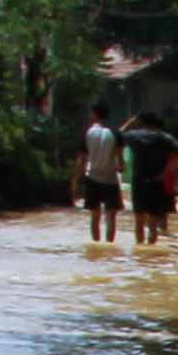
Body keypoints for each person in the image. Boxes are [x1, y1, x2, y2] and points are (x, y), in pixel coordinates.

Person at [122, 108, 178, 248]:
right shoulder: (165, 138)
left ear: (141, 122)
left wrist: (130, 122)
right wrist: (166, 172)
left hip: (138, 181)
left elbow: (118, 134)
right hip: (157, 182)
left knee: (139, 220)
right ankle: (150, 251)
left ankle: (140, 251)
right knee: (153, 223)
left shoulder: (135, 136)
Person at [79, 100, 124, 246]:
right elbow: (121, 163)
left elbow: (82, 161)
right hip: (110, 180)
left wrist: (77, 180)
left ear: (94, 114)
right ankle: (109, 247)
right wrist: (121, 168)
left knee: (95, 217)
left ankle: (96, 247)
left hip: (92, 178)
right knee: (111, 218)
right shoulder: (115, 133)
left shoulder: (87, 133)